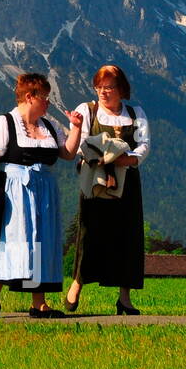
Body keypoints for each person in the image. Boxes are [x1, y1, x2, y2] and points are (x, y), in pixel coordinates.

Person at [0, 73, 83, 319]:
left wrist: (76, 129)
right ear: (29, 97)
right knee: (11, 240)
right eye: (44, 97)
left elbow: (67, 154)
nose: (47, 102)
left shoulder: (49, 126)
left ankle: (40, 303)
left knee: (43, 243)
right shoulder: (4, 123)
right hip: (15, 189)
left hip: (44, 189)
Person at [66, 66, 149, 315]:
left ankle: (124, 297)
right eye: (99, 87)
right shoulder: (87, 110)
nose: (103, 92)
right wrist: (101, 157)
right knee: (90, 231)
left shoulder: (135, 113)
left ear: (121, 90)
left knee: (128, 235)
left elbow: (144, 145)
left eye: (109, 87)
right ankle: (77, 285)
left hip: (127, 181)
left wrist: (129, 159)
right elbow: (79, 144)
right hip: (96, 179)